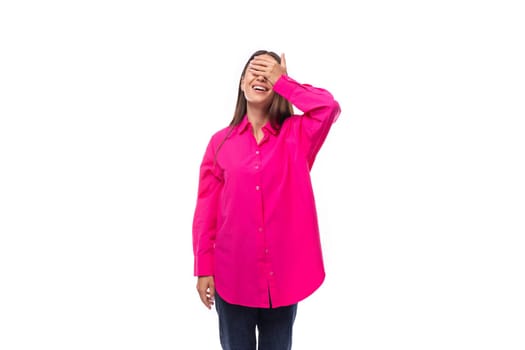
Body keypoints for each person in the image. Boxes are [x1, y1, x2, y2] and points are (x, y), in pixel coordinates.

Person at [192, 49, 341, 350]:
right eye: (254, 70)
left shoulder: (298, 135)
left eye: (269, 72)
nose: (261, 76)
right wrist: (203, 267)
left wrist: (286, 82)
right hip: (232, 277)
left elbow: (328, 107)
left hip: (282, 281)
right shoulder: (220, 143)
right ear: (241, 82)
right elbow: (206, 211)